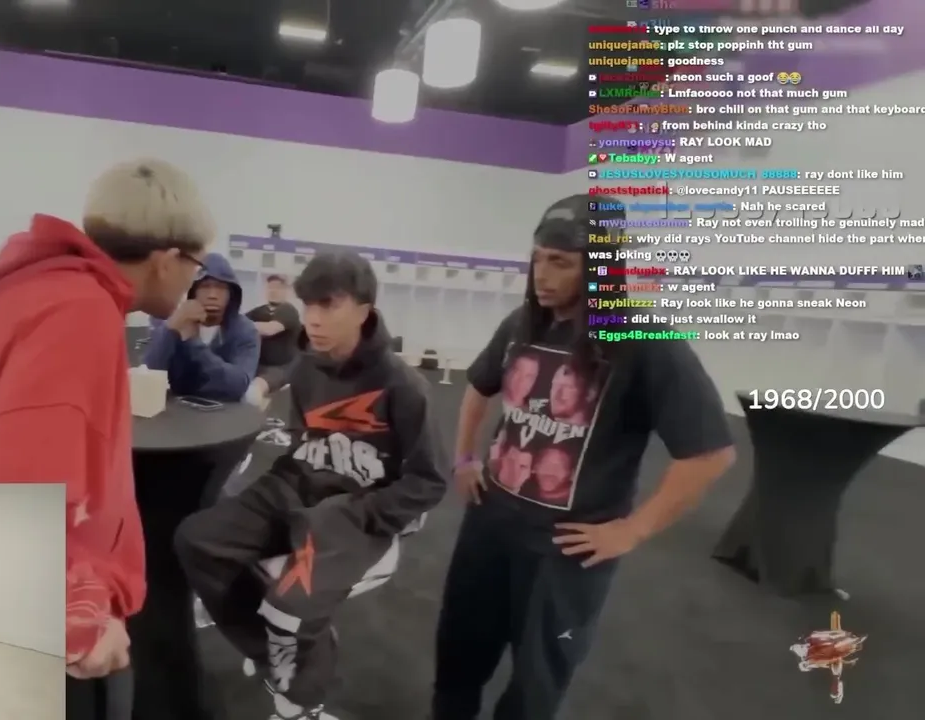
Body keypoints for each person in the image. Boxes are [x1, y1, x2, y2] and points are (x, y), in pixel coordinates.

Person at [0, 159, 215, 711]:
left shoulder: (40, 292)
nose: (192, 282)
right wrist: (76, 619)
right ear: (166, 259)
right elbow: (14, 485)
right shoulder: (81, 313)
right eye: (195, 266)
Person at [433, 194, 736, 720]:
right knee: (458, 659)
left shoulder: (644, 342)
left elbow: (711, 453)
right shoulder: (522, 325)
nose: (542, 275)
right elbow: (478, 387)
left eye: (561, 262)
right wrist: (464, 460)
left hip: (566, 550)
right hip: (491, 524)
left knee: (536, 685)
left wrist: (633, 530)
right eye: (538, 259)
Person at [174, 252, 448, 720]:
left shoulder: (403, 387)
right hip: (296, 488)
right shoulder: (304, 370)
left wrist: (366, 513)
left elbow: (430, 480)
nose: (314, 319)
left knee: (290, 607)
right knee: (196, 540)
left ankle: (302, 704)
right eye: (309, 305)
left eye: (329, 305)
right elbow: (305, 446)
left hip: (355, 513)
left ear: (363, 310)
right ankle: (271, 654)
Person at [143, 252, 259, 403]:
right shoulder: (172, 320)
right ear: (193, 292)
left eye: (220, 287)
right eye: (205, 286)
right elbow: (150, 371)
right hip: (177, 405)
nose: (212, 295)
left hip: (224, 408)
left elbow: (238, 385)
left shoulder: (244, 330)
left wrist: (193, 343)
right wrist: (171, 328)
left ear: (231, 294)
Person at [245, 273, 303, 406]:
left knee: (255, 390)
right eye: (270, 287)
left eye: (278, 287)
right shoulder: (259, 312)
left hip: (282, 367)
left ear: (286, 291)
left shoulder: (288, 310)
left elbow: (270, 329)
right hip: (258, 365)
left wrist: (243, 326)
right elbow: (235, 323)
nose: (273, 291)